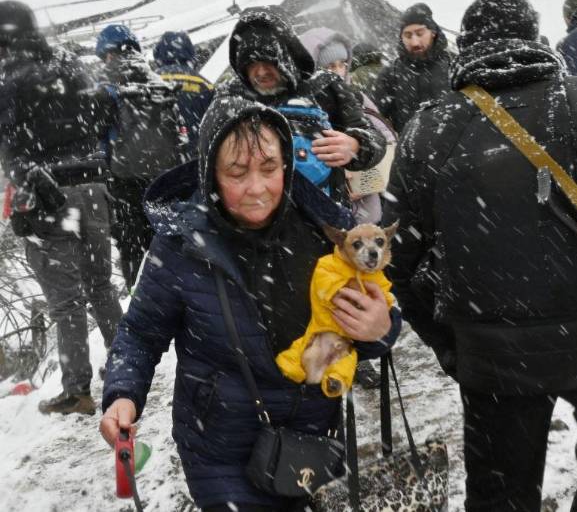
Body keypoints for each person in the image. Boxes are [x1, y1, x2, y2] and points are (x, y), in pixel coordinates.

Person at [383, 0, 577, 511]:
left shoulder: (427, 126)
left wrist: (450, 343)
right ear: (533, 36)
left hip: (491, 357)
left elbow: (403, 256)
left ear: (466, 45)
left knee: (500, 488)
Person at [99, 96, 401, 511]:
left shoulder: (326, 232)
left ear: (287, 168)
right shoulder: (180, 245)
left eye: (270, 169)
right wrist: (122, 393)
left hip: (313, 439)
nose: (257, 188)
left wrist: (381, 330)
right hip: (222, 449)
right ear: (210, 175)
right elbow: (140, 331)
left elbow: (380, 314)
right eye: (236, 173)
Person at [0, 1, 122, 415]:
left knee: (67, 301)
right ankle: (127, 367)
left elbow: (9, 145)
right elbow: (106, 112)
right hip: (94, 188)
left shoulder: (10, 80)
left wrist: (32, 180)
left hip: (48, 194)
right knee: (101, 285)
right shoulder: (70, 65)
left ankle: (77, 390)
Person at [299, 26, 400, 389]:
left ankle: (361, 351)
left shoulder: (355, 98)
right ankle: (334, 354)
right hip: (322, 221)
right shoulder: (301, 108)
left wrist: (362, 154)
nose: (337, 71)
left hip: (364, 212)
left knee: (362, 286)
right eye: (328, 65)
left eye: (342, 63)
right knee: (330, 290)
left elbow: (382, 138)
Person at [220, 6, 386, 207]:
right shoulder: (229, 97)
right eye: (250, 63)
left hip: (326, 219)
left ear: (286, 55)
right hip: (256, 221)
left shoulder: (325, 86)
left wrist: (356, 145)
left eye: (268, 61)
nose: (260, 72)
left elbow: (375, 140)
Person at [94, 24, 185, 288]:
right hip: (164, 180)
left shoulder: (106, 84)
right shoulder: (158, 82)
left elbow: (98, 133)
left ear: (108, 53)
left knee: (131, 248)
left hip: (124, 182)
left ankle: (139, 299)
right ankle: (175, 296)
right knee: (166, 244)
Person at [374, 2, 453, 134]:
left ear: (433, 32)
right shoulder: (389, 75)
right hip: (409, 150)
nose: (414, 42)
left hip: (453, 148)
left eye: (420, 33)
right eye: (408, 35)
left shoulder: (455, 66)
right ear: (401, 37)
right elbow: (377, 120)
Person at [153, 30, 214, 153]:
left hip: (160, 159)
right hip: (197, 157)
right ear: (190, 52)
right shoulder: (206, 85)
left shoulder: (149, 82)